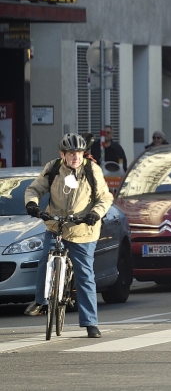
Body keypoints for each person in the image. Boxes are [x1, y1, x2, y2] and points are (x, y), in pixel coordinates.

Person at [23, 133, 114, 339]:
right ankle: (41, 301)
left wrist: (95, 214)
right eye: (71, 153)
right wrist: (32, 204)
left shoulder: (92, 170)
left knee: (85, 275)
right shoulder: (53, 168)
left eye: (79, 153)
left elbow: (105, 197)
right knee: (45, 260)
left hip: (83, 229)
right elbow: (34, 188)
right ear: (62, 154)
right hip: (57, 226)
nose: (75, 157)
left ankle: (90, 323)